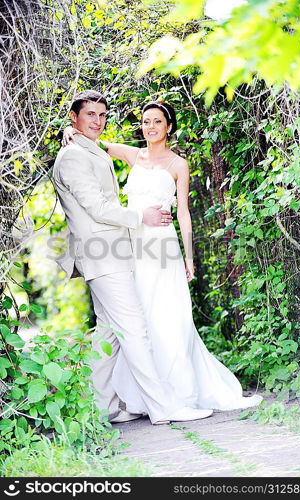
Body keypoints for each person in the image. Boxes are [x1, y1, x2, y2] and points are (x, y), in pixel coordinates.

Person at [63, 98, 263, 414]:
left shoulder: (177, 164)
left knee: (169, 315)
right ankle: (139, 398)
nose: (150, 127)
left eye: (157, 121)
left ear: (168, 127)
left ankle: (177, 393)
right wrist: (68, 131)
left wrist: (189, 257)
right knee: (137, 317)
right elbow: (91, 141)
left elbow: (183, 214)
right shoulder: (132, 154)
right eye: (146, 121)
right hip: (131, 245)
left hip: (162, 246)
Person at [53, 90, 214, 425]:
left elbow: (100, 152)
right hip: (105, 254)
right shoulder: (72, 157)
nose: (97, 121)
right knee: (136, 330)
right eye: (89, 115)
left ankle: (103, 407)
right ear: (74, 117)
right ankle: (163, 408)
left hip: (118, 251)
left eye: (102, 115)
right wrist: (142, 216)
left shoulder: (86, 150)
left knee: (109, 333)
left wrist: (187, 254)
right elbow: (97, 207)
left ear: (169, 126)